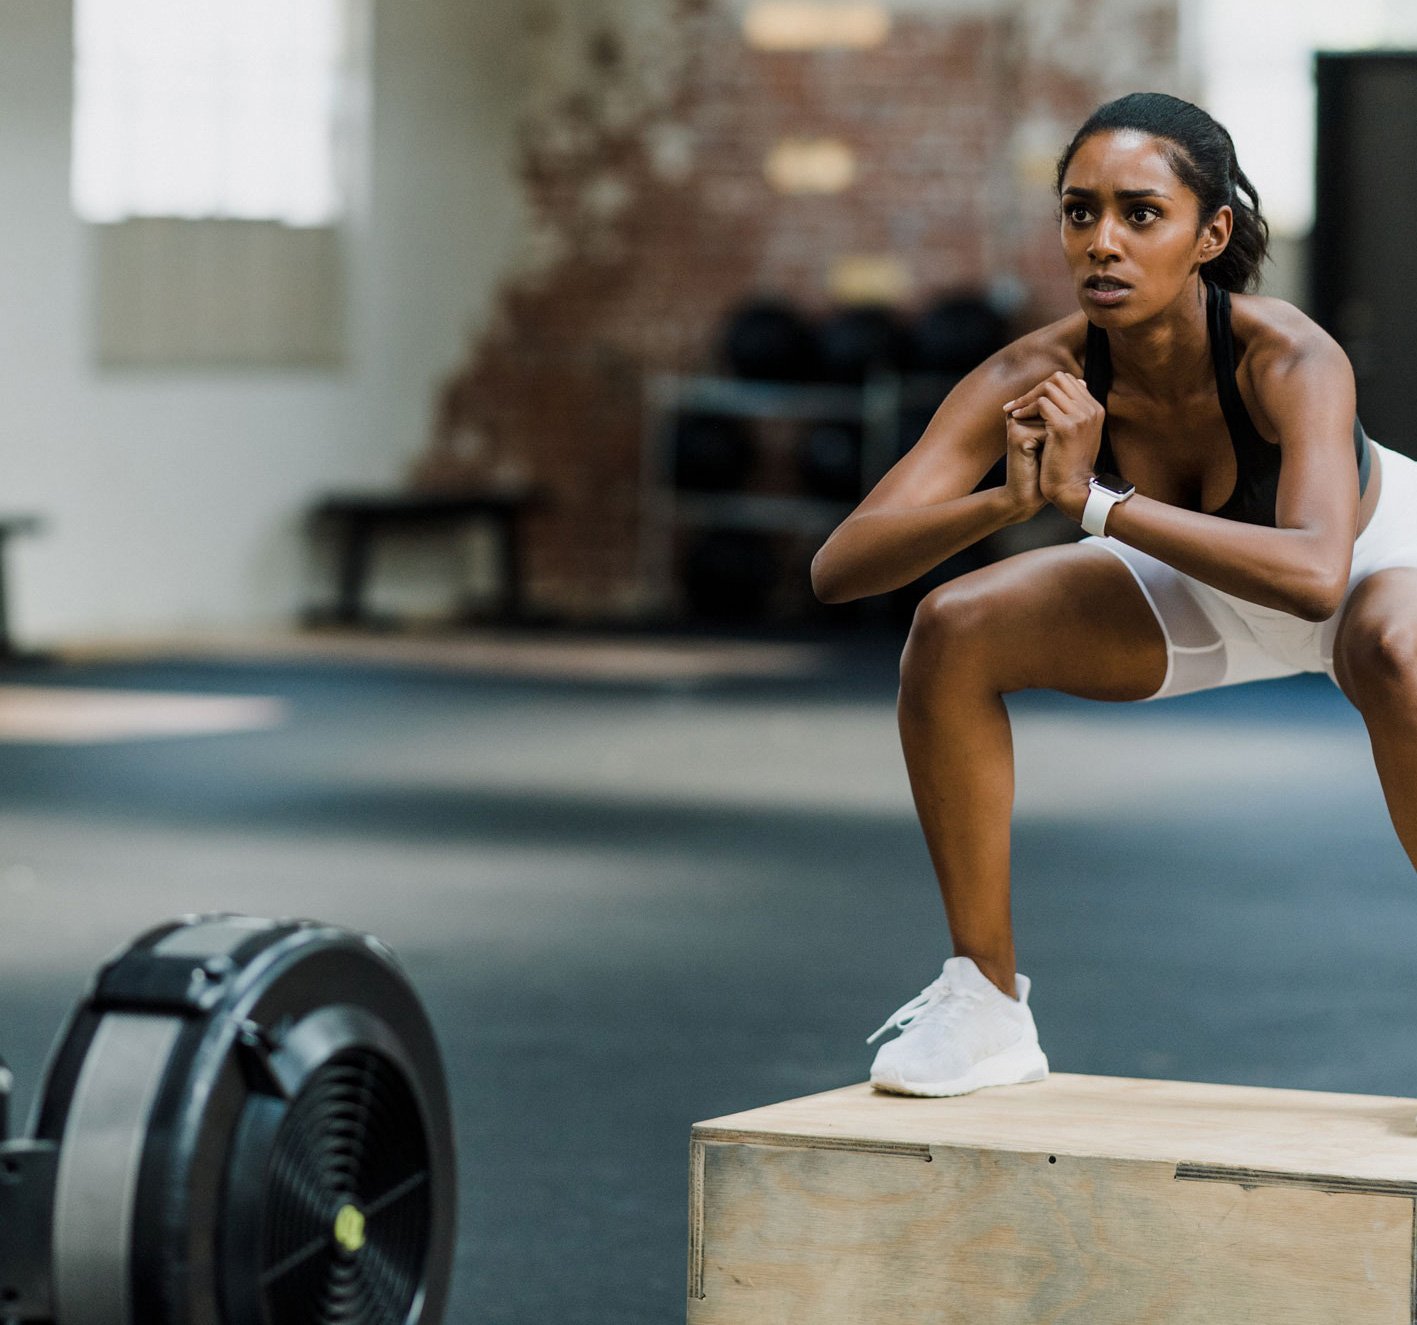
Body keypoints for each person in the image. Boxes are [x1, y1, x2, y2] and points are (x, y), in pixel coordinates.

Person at [811, 91, 1417, 1099]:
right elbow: (843, 564)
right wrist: (1008, 499)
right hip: (1200, 582)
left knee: (1397, 652)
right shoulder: (1033, 369)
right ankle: (986, 1002)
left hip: (1373, 563)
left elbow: (1314, 576)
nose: (1102, 241)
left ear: (1208, 232)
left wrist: (1094, 501)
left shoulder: (1289, 355)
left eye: (1140, 213)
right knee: (951, 626)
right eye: (1078, 211)